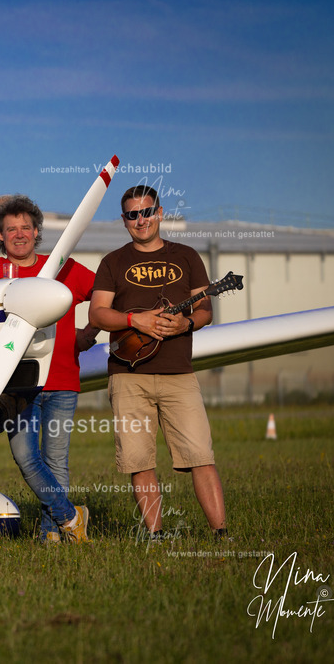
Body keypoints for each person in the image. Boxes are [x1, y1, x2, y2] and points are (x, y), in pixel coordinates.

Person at [0, 194, 94, 544]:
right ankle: (72, 516)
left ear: (37, 231)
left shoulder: (65, 268)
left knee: (56, 461)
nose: (19, 234)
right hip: (18, 385)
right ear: (0, 236)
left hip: (63, 379)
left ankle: (51, 534)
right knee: (26, 457)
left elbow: (104, 295)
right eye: (11, 229)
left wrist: (90, 331)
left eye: (26, 227)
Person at [89, 185, 228, 540]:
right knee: (139, 461)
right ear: (124, 221)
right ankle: (156, 535)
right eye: (133, 214)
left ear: (160, 213)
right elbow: (99, 313)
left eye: (147, 211)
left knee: (200, 454)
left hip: (178, 373)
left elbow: (205, 308)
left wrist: (186, 322)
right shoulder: (112, 262)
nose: (141, 219)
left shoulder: (186, 256)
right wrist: (135, 321)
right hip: (127, 375)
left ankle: (221, 533)